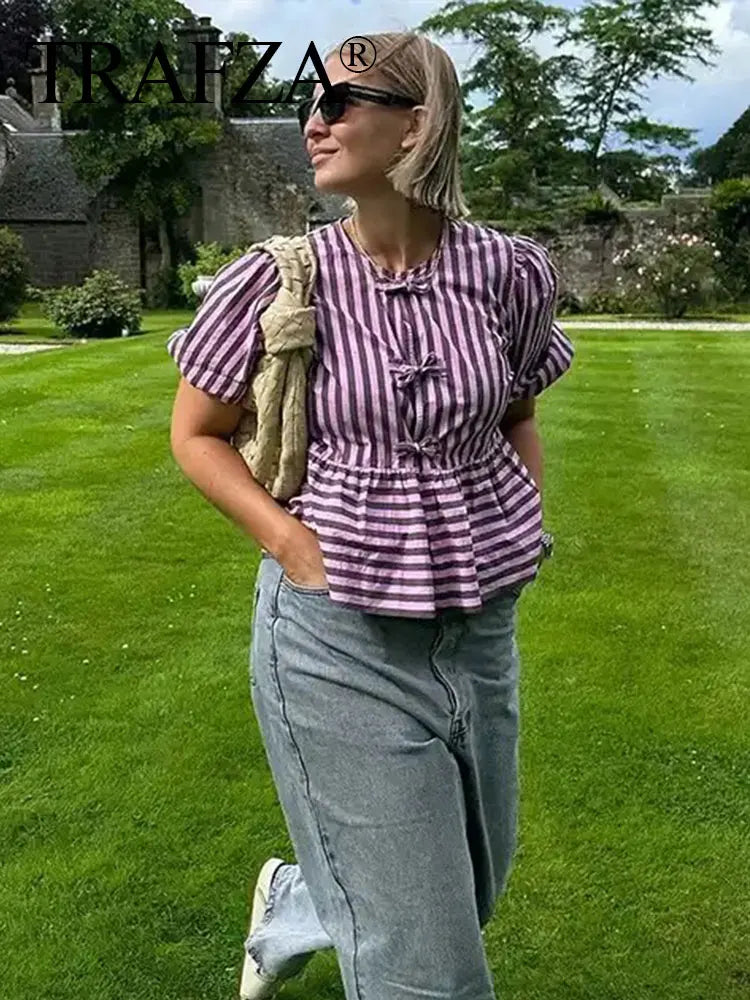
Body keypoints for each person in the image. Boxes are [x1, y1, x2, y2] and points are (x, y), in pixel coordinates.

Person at [167, 30, 574, 1000]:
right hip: (336, 639)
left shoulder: (508, 272)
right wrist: (292, 543)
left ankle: (301, 896)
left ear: (417, 124)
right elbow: (196, 433)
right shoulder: (273, 281)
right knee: (426, 962)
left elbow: (518, 410)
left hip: (479, 635)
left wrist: (516, 523)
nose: (317, 120)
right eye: (318, 100)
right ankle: (339, 899)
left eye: (345, 100)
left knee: (466, 886)